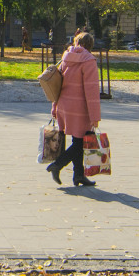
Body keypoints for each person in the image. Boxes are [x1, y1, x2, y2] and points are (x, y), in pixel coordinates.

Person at [44, 31, 102, 187]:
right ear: (90, 45)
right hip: (80, 108)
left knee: (77, 140)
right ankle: (57, 165)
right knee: (81, 142)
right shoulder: (88, 60)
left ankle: (79, 176)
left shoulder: (66, 57)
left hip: (64, 105)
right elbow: (91, 90)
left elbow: (57, 85)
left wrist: (54, 107)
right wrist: (95, 116)